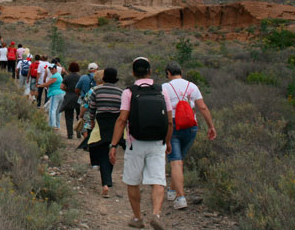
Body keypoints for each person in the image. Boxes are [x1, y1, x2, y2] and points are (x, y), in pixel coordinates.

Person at [109, 57, 173, 230]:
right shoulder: (162, 91)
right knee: (158, 180)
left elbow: (122, 119)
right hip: (157, 142)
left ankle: (137, 218)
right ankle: (156, 214)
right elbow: (169, 121)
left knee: (133, 181)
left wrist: (113, 145)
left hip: (134, 143)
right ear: (150, 71)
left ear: (133, 72)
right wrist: (167, 142)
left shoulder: (129, 92)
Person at [163, 61, 216, 210]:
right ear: (181, 71)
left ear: (168, 73)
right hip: (191, 126)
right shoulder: (192, 86)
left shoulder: (164, 87)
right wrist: (211, 126)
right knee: (179, 161)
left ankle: (181, 198)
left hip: (172, 125)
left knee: (176, 162)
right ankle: (172, 191)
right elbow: (203, 107)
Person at [88, 68, 123, 198]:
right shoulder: (121, 92)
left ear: (104, 78)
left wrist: (91, 121)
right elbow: (123, 110)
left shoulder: (97, 91)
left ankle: (105, 184)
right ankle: (108, 180)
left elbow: (92, 107)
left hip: (101, 122)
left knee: (103, 152)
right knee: (112, 150)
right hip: (116, 124)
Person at [39, 63, 65, 129]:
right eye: (50, 69)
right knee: (58, 111)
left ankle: (52, 126)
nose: (51, 70)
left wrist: (39, 86)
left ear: (55, 68)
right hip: (62, 94)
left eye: (52, 69)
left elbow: (48, 83)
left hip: (55, 94)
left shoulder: (55, 76)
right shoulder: (59, 75)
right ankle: (57, 125)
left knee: (52, 110)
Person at [60, 62, 81, 139]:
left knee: (69, 116)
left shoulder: (67, 77)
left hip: (69, 98)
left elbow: (61, 87)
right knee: (79, 116)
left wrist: (67, 90)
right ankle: (79, 131)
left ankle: (70, 134)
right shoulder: (80, 77)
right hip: (78, 98)